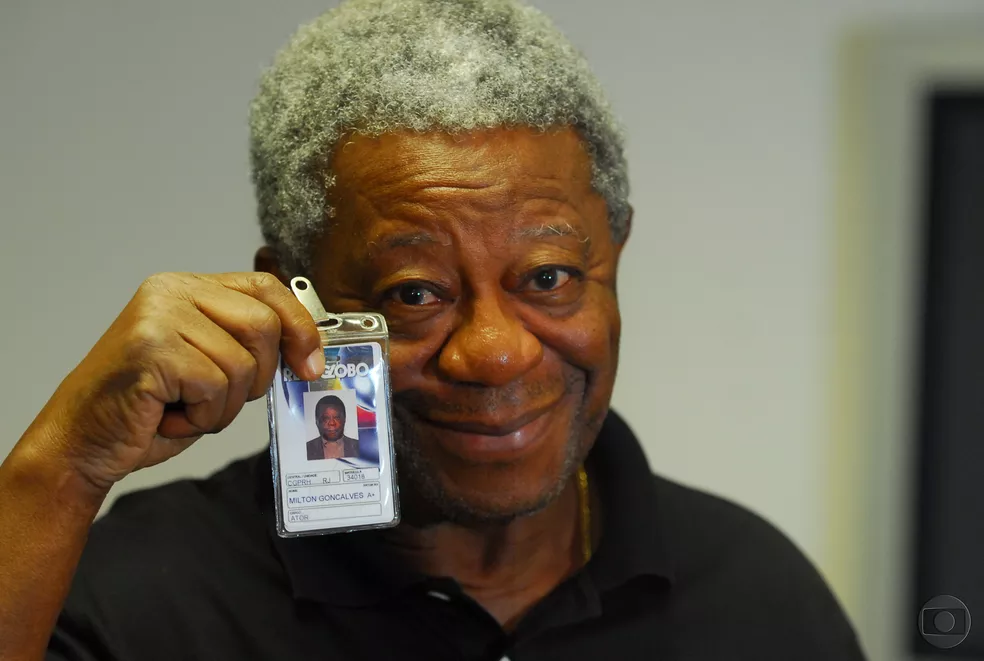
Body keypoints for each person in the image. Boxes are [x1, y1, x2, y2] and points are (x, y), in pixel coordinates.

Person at [0, 1, 867, 659]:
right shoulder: (137, 599)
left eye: (548, 278)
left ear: (615, 252)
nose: (495, 352)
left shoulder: (757, 596)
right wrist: (60, 469)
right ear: (288, 294)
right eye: (415, 293)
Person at [307, 394, 360, 460]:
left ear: (344, 419)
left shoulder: (358, 447)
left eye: (337, 417)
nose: (332, 423)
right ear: (317, 421)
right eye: (326, 418)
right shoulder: (307, 449)